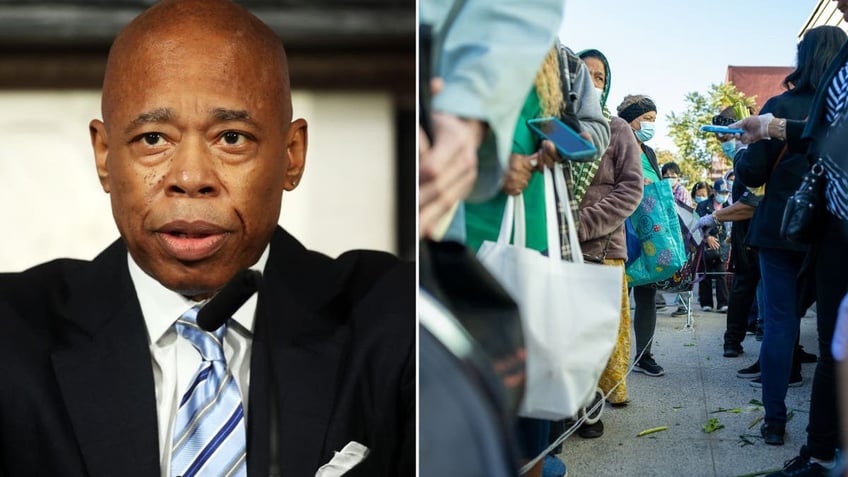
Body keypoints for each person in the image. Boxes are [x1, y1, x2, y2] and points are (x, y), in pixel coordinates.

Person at [0, 1, 414, 476]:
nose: (191, 177)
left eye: (232, 138)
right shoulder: (10, 337)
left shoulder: (398, 320)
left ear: (292, 155)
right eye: (154, 139)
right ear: (104, 155)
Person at [733, 8, 848, 472]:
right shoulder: (829, 91)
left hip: (788, 229)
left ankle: (777, 422)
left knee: (782, 325)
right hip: (826, 230)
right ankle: (823, 446)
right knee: (829, 339)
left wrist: (751, 147)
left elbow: (756, 171)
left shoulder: (780, 104)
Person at [419, 0, 567, 239]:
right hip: (468, 197)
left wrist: (553, 150)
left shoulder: (563, 68)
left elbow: (568, 123)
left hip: (523, 199)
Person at [573, 48, 643, 435]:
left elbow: (630, 190)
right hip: (558, 247)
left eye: (599, 77)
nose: (591, 82)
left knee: (596, 335)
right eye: (584, 74)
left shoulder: (617, 129)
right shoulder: (558, 125)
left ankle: (591, 406)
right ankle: (567, 407)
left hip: (600, 250)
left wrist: (582, 224)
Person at [617, 94, 666, 377]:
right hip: (623, 229)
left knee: (648, 292)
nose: (650, 125)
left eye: (653, 120)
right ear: (631, 118)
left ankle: (644, 356)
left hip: (649, 229)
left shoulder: (649, 152)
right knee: (619, 295)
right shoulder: (615, 143)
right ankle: (611, 357)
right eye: (646, 119)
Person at [695, 179, 731, 313]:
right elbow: (696, 223)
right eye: (721, 192)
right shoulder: (704, 206)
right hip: (705, 245)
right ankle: (706, 302)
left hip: (722, 246)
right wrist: (706, 237)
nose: (724, 194)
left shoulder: (729, 206)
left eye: (726, 192)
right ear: (715, 192)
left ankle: (723, 303)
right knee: (705, 274)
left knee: (721, 274)